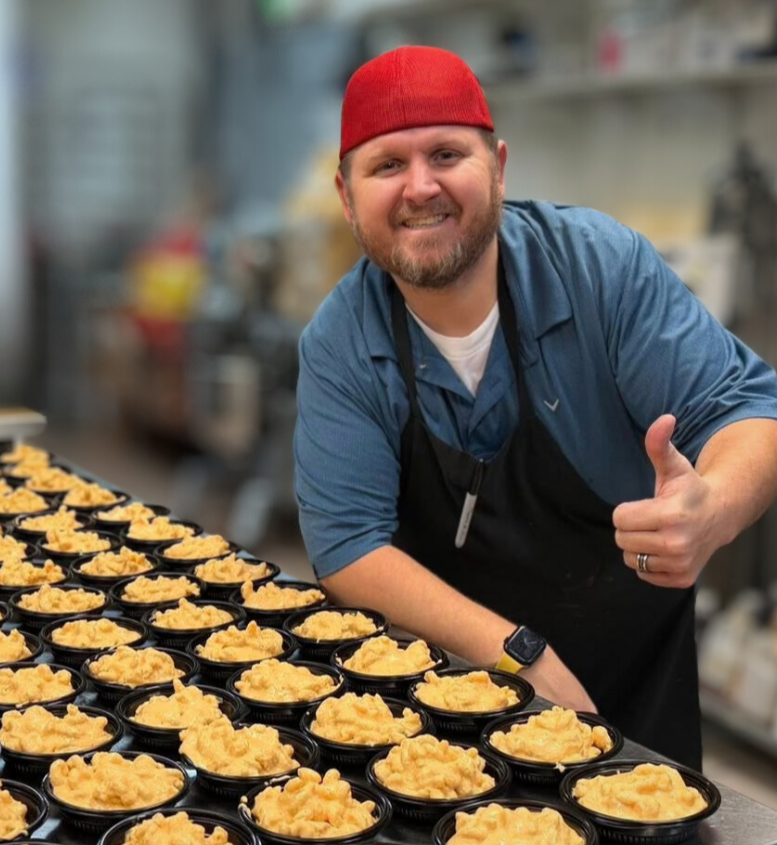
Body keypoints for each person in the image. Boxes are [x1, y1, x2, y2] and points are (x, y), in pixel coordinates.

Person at [293, 45, 777, 769]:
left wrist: (714, 508)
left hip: (632, 699)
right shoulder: (342, 341)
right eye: (387, 165)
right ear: (346, 195)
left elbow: (748, 408)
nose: (420, 186)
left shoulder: (599, 270)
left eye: (446, 154)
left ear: (498, 166)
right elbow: (349, 546)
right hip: (438, 717)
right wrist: (518, 655)